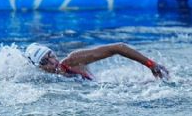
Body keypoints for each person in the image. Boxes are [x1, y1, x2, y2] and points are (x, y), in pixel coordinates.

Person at [25, 43, 169, 80]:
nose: (52, 61)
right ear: (39, 68)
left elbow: (117, 47)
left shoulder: (73, 61)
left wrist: (151, 64)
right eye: (45, 61)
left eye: (50, 54)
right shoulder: (41, 81)